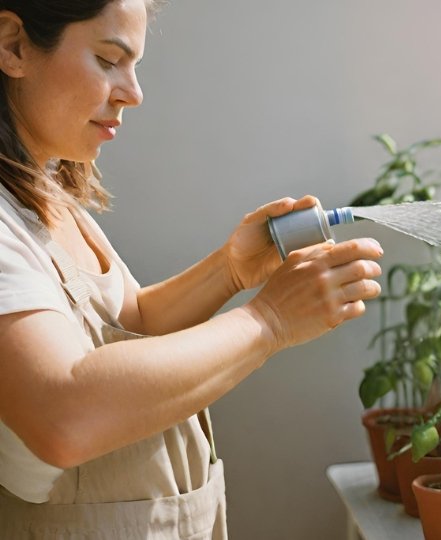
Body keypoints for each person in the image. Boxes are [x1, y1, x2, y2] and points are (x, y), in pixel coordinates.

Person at [0, 0, 383, 537]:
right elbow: (63, 415)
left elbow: (126, 325)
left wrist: (229, 271)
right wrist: (269, 321)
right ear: (13, 45)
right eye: (109, 60)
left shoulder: (47, 195)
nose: (133, 92)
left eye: (134, 67)